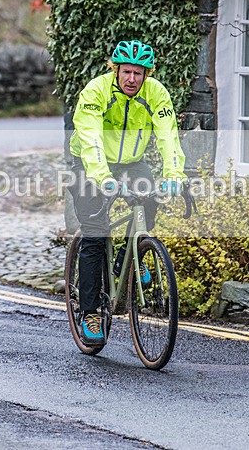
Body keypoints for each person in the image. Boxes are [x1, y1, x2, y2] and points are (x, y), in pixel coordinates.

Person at [68, 39, 186, 345]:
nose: (132, 79)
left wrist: (173, 174)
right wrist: (102, 177)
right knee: (95, 233)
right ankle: (91, 313)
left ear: (147, 74)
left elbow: (168, 136)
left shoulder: (156, 94)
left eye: (138, 73)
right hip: (89, 163)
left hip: (132, 163)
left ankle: (129, 259)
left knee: (150, 199)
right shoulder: (97, 91)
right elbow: (90, 136)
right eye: (126, 72)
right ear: (115, 70)